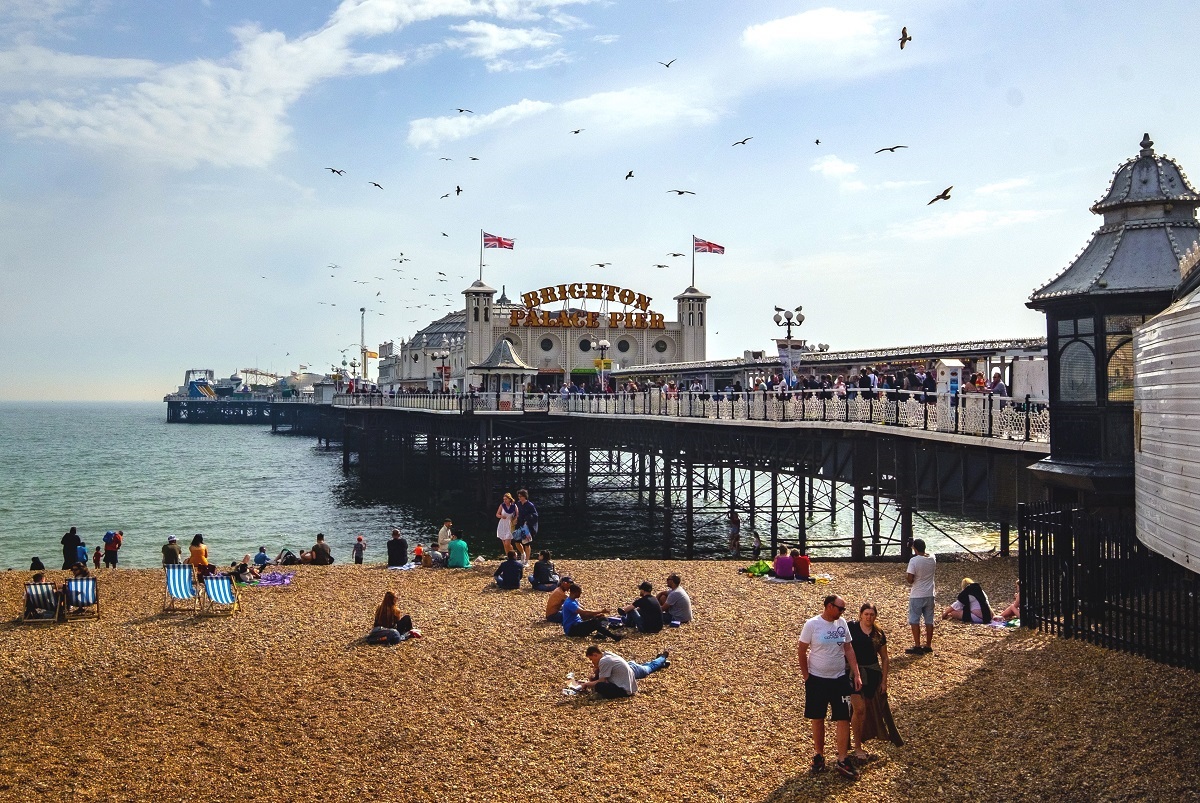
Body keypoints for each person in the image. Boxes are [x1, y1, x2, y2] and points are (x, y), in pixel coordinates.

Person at [798, 594, 863, 781]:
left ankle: (842, 758)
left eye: (843, 609)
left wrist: (856, 673)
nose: (842, 612)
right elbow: (802, 650)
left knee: (843, 718)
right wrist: (806, 676)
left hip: (839, 678)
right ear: (828, 606)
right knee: (817, 717)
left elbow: (848, 648)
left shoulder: (842, 624)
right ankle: (819, 754)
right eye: (840, 608)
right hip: (817, 679)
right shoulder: (812, 624)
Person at [848, 603, 892, 763]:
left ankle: (860, 740)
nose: (869, 617)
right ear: (860, 615)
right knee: (858, 709)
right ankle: (857, 746)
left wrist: (884, 681)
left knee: (867, 710)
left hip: (872, 674)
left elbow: (885, 658)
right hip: (852, 674)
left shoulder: (878, 634)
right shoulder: (850, 627)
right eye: (866, 614)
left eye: (872, 614)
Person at [905, 538, 936, 655]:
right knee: (929, 620)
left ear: (915, 548)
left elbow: (910, 579)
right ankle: (928, 645)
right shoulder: (932, 558)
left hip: (917, 594)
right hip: (930, 593)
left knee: (914, 620)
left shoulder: (914, 561)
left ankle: (917, 645)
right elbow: (926, 555)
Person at [514, 489, 538, 563]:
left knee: (526, 543)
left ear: (525, 496)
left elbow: (535, 515)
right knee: (517, 541)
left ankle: (527, 560)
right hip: (519, 525)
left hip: (527, 526)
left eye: (521, 496)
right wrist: (515, 519)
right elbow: (516, 513)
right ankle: (522, 554)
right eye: (519, 496)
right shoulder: (518, 504)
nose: (519, 498)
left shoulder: (530, 505)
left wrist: (527, 519)